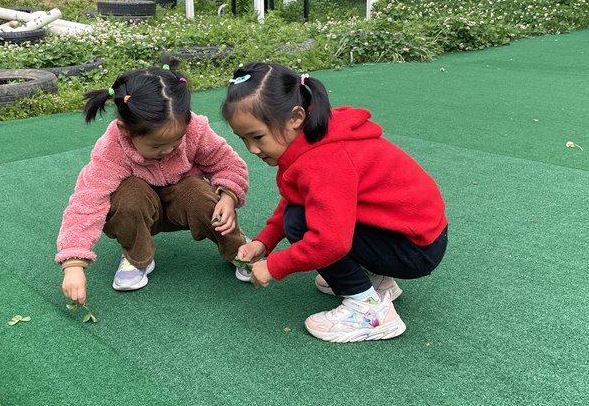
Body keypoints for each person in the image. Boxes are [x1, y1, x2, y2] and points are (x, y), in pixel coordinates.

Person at [224, 62, 448, 343]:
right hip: (411, 236)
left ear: (296, 117)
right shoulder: (316, 133)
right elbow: (298, 198)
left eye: (257, 136)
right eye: (243, 138)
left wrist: (274, 266)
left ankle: (370, 311)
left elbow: (329, 242)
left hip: (415, 250)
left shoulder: (324, 160)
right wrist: (264, 242)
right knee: (302, 214)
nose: (252, 149)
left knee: (300, 223)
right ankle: (377, 282)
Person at [57, 66, 252, 305]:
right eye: (157, 145)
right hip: (140, 209)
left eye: (176, 141)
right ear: (126, 131)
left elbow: (229, 164)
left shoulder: (194, 129)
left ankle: (239, 250)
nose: (169, 150)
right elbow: (87, 201)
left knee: (203, 195)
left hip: (184, 201)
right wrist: (73, 264)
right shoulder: (112, 149)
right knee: (128, 194)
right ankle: (137, 257)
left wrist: (229, 196)